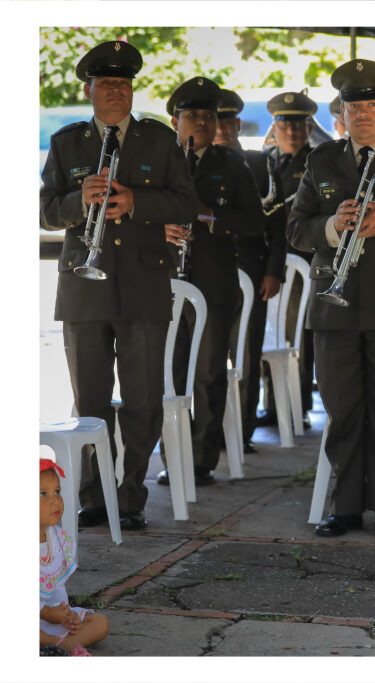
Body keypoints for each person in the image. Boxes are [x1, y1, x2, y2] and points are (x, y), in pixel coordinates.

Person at [40, 40, 199, 531]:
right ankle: (93, 498)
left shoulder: (159, 139)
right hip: (83, 290)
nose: (116, 91)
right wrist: (75, 202)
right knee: (89, 404)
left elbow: (186, 205)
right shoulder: (68, 142)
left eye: (124, 84)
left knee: (143, 400)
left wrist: (136, 202)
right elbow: (45, 211)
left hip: (144, 283)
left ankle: (129, 497)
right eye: (106, 83)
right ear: (88, 89)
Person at [288, 60, 375, 541]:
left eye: (372, 105)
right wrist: (333, 226)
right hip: (334, 306)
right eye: (353, 106)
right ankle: (345, 506)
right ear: (341, 112)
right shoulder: (322, 159)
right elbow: (296, 228)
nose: (363, 113)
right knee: (343, 410)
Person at [156, 77, 262, 486]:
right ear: (174, 120)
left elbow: (253, 221)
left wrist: (209, 215)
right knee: (170, 373)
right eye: (191, 115)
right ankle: (172, 457)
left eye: (208, 116)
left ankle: (201, 460)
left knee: (208, 373)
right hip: (164, 280)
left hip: (214, 284)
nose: (200, 122)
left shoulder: (233, 163)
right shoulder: (160, 159)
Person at [214, 88, 287, 454]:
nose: (223, 127)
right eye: (217, 120)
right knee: (207, 359)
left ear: (239, 124)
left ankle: (241, 433)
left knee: (246, 354)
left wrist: (273, 271)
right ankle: (210, 433)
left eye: (229, 121)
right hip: (208, 275)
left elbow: (276, 224)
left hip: (252, 274)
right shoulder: (193, 161)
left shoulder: (259, 162)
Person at [258, 90, 319, 432]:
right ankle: (272, 403)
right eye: (285, 124)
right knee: (268, 336)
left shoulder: (318, 161)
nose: (292, 132)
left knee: (296, 337)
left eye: (299, 125)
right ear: (275, 126)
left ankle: (298, 406)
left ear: (310, 127)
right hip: (268, 261)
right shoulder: (266, 161)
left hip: (300, 261)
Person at [40, 460, 110, 655]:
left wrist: (65, 613)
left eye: (57, 492)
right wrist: (46, 613)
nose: (55, 500)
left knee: (100, 624)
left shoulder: (56, 539)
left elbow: (56, 584)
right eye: (43, 494)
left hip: (46, 618)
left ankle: (54, 644)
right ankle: (54, 642)